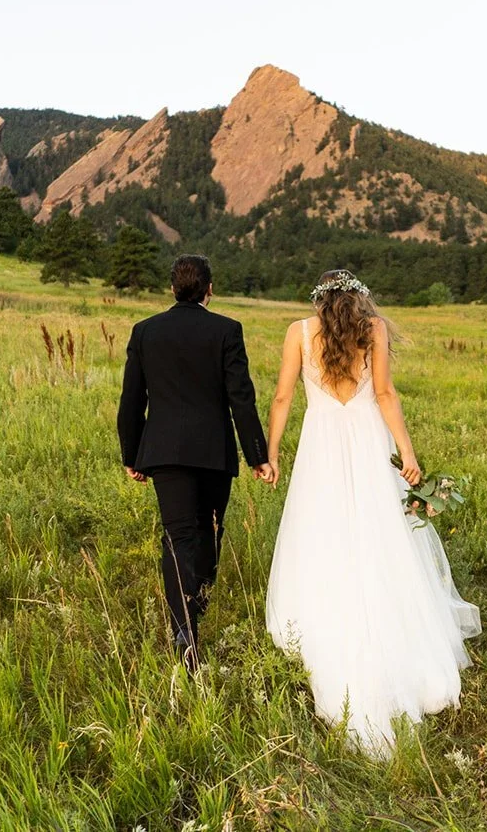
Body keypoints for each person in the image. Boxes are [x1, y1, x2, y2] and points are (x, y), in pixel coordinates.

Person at [264, 269, 480, 757]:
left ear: (319, 302)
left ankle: (327, 633)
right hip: (365, 446)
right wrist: (408, 455)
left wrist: (272, 454)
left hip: (320, 451)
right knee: (381, 541)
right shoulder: (374, 330)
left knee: (323, 540)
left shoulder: (298, 333)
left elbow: (282, 397)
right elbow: (384, 394)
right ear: (358, 300)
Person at [118, 254, 275, 671]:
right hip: (212, 451)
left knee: (178, 536)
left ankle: (184, 627)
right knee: (209, 530)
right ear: (210, 289)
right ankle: (195, 609)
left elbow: (131, 400)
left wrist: (131, 456)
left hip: (165, 452)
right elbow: (242, 398)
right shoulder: (226, 330)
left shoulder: (145, 332)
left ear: (173, 289)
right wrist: (258, 456)